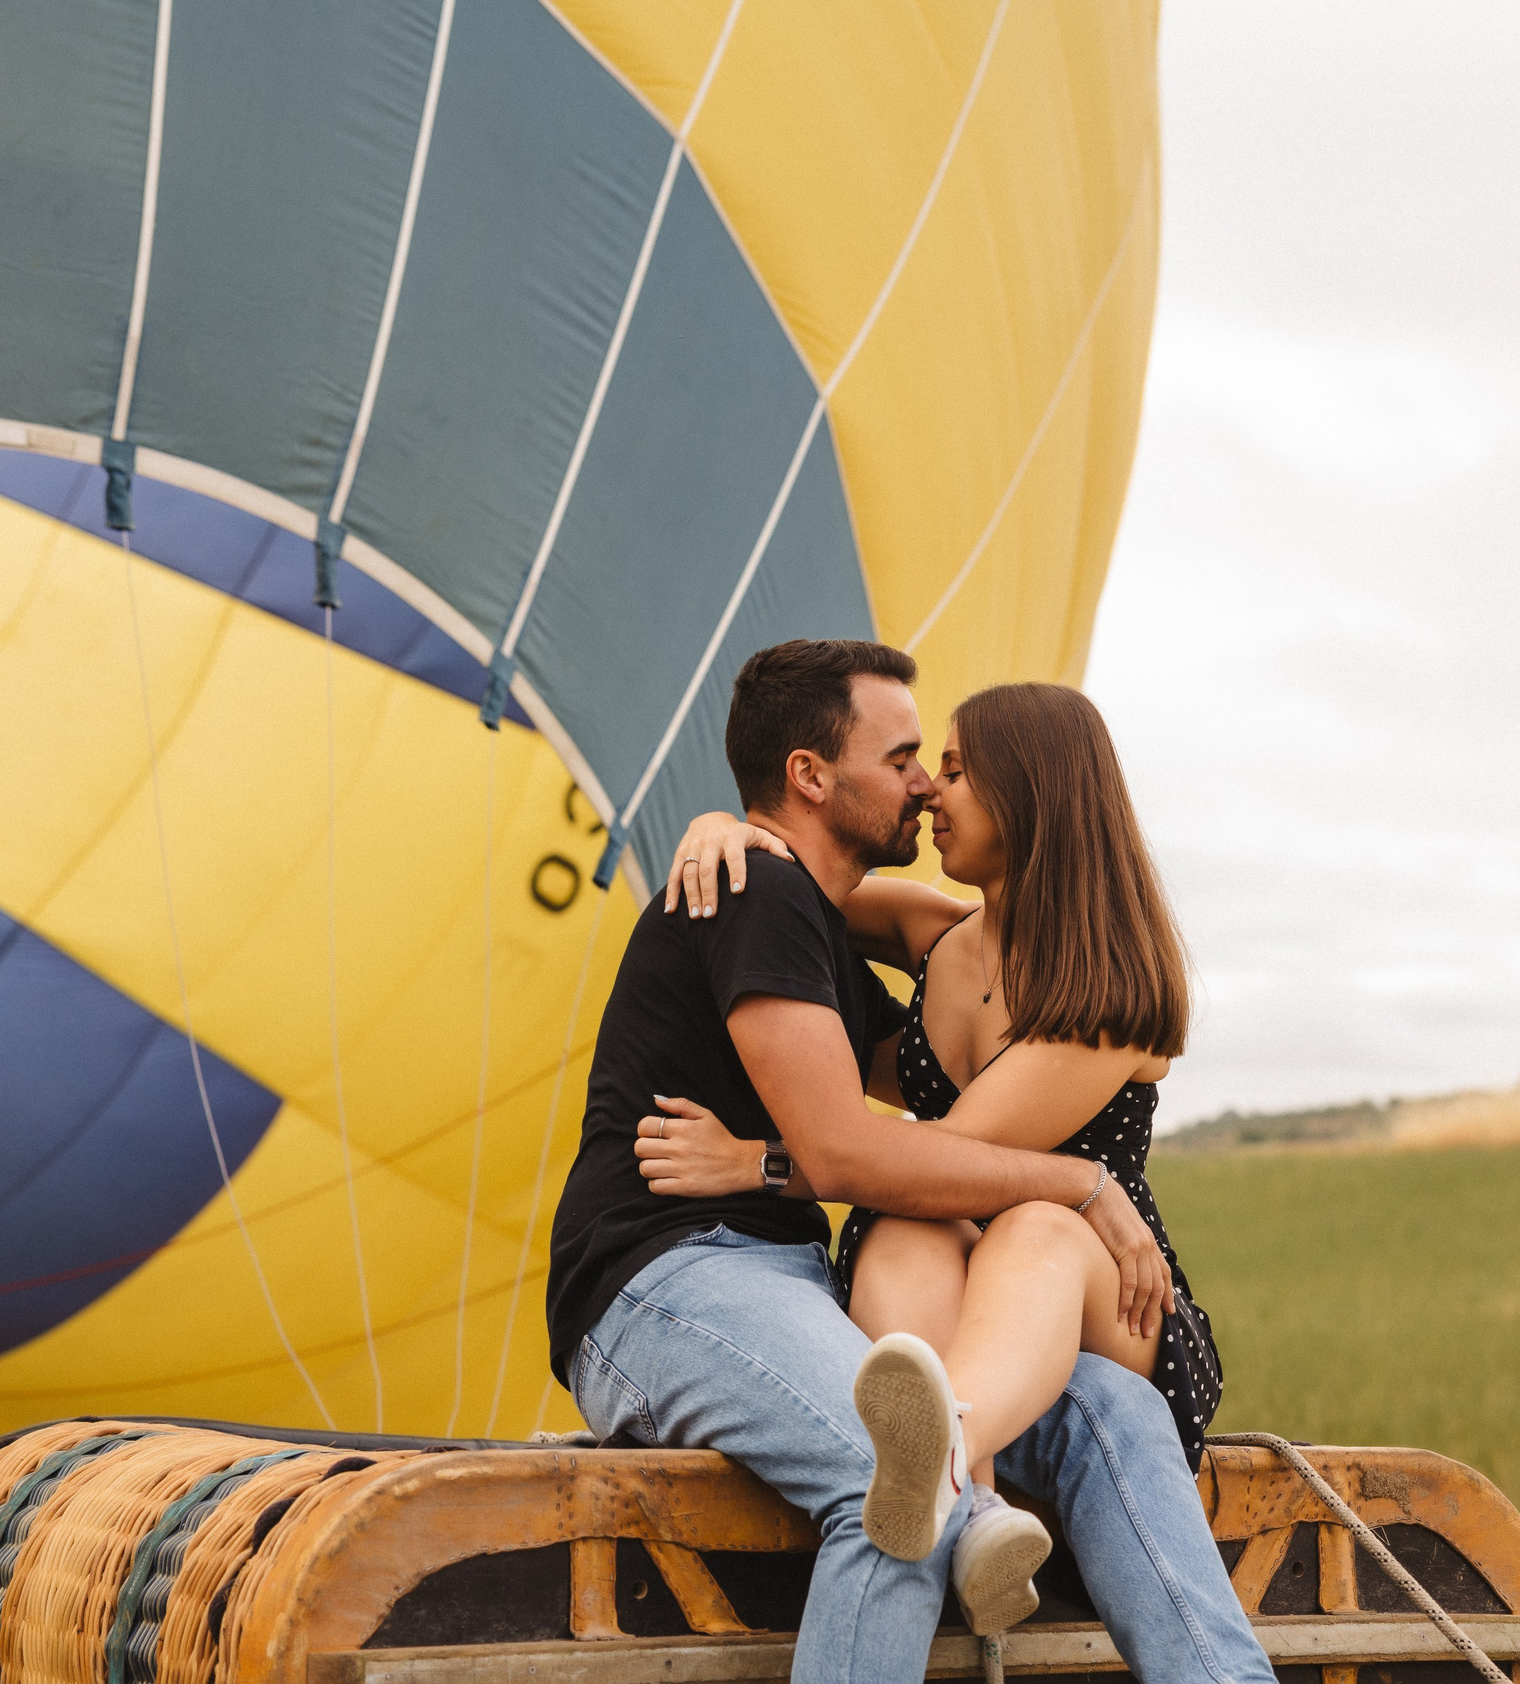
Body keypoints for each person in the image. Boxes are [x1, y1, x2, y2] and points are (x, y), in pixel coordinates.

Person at [544, 640, 1273, 1684]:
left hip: (1061, 1285)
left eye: (950, 765)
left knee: (1106, 1404)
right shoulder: (794, 896)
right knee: (899, 1444)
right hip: (678, 1269)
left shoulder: (1077, 984)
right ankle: (956, 1484)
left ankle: (985, 1490)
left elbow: (902, 1142)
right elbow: (866, 1146)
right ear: (809, 776)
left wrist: (765, 1165)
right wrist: (721, 826)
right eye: (906, 758)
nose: (926, 783)